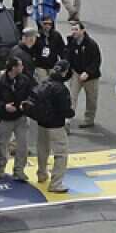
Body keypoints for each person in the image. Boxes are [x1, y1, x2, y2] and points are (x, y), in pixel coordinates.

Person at [29, 60, 75, 193]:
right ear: (65, 72)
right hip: (56, 125)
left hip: (42, 123)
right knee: (61, 153)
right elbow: (65, 110)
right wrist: (71, 113)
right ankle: (56, 183)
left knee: (42, 150)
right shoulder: (61, 89)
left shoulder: (44, 83)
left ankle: (42, 174)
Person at [0, 55, 34, 182]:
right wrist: (4, 106)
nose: (22, 67)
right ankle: (1, 168)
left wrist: (24, 104)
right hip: (5, 119)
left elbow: (31, 94)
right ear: (13, 68)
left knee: (23, 145)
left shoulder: (24, 80)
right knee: (2, 145)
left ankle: (19, 171)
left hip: (20, 117)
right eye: (20, 65)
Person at [65, 20, 101, 128]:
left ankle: (89, 119)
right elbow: (67, 56)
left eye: (76, 29)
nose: (74, 32)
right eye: (72, 30)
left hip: (91, 77)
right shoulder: (72, 42)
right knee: (72, 97)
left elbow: (96, 61)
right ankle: (67, 120)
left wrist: (88, 72)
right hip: (76, 73)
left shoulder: (91, 44)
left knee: (91, 99)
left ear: (83, 31)